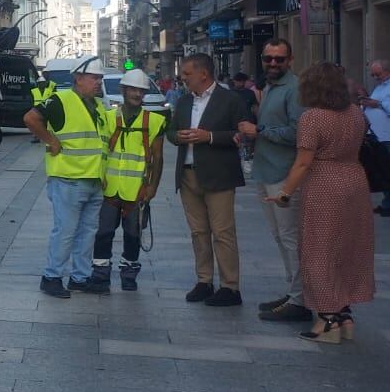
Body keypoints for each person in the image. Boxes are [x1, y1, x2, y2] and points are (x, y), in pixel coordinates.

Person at [263, 63, 376, 343]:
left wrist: (284, 193)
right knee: (347, 249)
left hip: (325, 184)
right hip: (355, 181)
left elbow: (303, 162)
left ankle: (327, 321)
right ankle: (344, 314)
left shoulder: (313, 117)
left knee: (319, 250)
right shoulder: (355, 114)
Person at [169, 52, 253, 307]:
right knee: (198, 232)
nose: (182, 78)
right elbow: (170, 132)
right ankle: (204, 280)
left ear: (203, 73)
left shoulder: (230, 100)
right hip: (188, 173)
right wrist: (178, 137)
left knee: (223, 232)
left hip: (218, 174)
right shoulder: (184, 102)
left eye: (187, 74)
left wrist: (211, 137)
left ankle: (230, 286)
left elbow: (243, 133)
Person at [236, 39, 310, 323]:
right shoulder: (268, 87)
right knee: (281, 237)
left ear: (290, 60)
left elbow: (298, 132)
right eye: (269, 59)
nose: (274, 64)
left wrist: (260, 130)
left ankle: (300, 299)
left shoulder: (294, 89)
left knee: (291, 238)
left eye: (280, 59)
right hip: (267, 171)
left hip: (285, 173)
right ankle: (293, 292)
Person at [25, 54, 110, 298]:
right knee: (66, 231)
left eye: (100, 79)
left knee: (87, 233)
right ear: (78, 78)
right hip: (68, 179)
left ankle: (79, 278)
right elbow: (31, 118)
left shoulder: (99, 108)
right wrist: (51, 140)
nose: (98, 83)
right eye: (94, 78)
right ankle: (52, 277)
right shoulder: (61, 100)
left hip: (93, 180)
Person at [86, 68, 165, 293]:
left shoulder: (154, 121)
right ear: (123, 90)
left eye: (141, 90)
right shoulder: (109, 118)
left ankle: (129, 275)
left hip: (137, 190)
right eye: (132, 89)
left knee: (133, 235)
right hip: (108, 189)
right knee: (103, 233)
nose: (137, 94)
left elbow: (158, 158)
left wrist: (153, 188)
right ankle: (100, 275)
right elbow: (99, 150)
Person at [359, 59, 390, 216]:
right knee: (383, 171)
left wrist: (376, 104)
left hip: (387, 135)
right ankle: (386, 203)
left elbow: (386, 106)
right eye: (372, 74)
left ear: (387, 71)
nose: (374, 77)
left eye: (377, 74)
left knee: (387, 170)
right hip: (377, 135)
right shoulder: (380, 87)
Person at [29, 73, 55, 142]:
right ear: (38, 83)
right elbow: (31, 101)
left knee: (48, 125)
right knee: (36, 124)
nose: (42, 84)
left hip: (47, 110)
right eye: (40, 83)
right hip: (37, 110)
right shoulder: (33, 91)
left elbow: (52, 100)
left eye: (43, 83)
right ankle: (36, 137)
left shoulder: (49, 91)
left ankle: (49, 137)